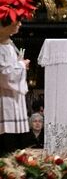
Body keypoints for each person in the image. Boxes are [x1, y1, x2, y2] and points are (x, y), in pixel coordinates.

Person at [0, 17, 28, 156]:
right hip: (4, 99)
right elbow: (4, 75)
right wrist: (22, 65)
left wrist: (19, 63)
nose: (20, 24)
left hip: (12, 98)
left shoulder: (9, 44)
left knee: (15, 147)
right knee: (6, 144)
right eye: (17, 21)